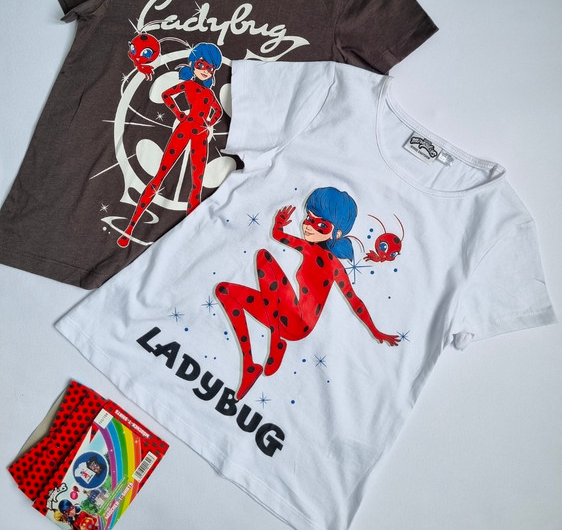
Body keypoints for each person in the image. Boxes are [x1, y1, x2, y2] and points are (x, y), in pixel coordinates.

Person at [216, 186, 400, 399]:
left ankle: (276, 340)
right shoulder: (307, 247)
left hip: (299, 324)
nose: (309, 226)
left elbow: (354, 301)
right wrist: (279, 223)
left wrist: (376, 332)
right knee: (225, 291)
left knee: (264, 258)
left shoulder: (334, 266)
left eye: (321, 224)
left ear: (337, 233)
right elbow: (278, 236)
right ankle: (250, 365)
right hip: (282, 310)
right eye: (309, 218)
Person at [118, 42, 223, 247]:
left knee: (197, 184)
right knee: (160, 176)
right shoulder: (189, 85)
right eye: (201, 65)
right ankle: (130, 228)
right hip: (185, 129)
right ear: (193, 64)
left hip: (200, 135)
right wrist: (179, 114)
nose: (205, 70)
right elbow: (166, 95)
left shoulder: (210, 94)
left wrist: (209, 122)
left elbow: (217, 111)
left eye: (210, 68)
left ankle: (191, 235)